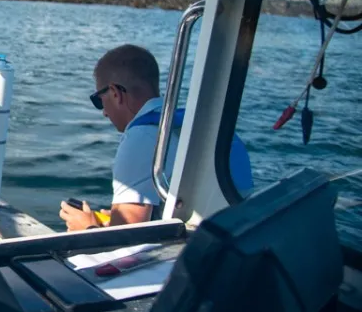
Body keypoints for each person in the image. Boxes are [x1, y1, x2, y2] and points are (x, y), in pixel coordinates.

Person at [60, 44, 254, 231]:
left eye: (98, 101)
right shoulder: (195, 124)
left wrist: (87, 227)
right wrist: (119, 218)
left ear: (115, 93)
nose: (103, 113)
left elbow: (121, 244)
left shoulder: (141, 136)